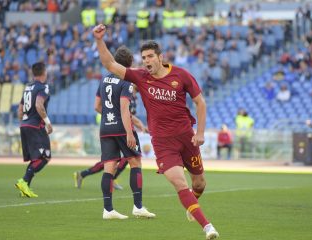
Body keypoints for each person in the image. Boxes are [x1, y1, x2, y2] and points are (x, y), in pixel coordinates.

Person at [93, 24, 219, 239]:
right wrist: (99, 40)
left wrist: (200, 133)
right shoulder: (140, 77)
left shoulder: (182, 75)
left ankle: (193, 205)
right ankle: (208, 227)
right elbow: (110, 64)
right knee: (180, 183)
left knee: (199, 183)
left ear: (160, 57)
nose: (147, 61)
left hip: (187, 138)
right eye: (144, 57)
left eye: (150, 56)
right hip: (162, 142)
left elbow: (201, 103)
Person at [92, 46, 155, 219]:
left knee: (108, 168)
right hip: (122, 127)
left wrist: (108, 117)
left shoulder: (104, 80)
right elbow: (124, 108)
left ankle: (108, 210)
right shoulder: (125, 81)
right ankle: (138, 207)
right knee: (135, 162)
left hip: (105, 128)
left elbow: (97, 106)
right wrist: (129, 132)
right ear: (128, 65)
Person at [74, 84, 148, 191]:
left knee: (113, 160)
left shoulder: (133, 98)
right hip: (115, 127)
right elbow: (121, 112)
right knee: (121, 158)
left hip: (119, 127)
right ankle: (111, 179)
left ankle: (83, 174)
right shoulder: (125, 90)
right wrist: (139, 124)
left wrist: (139, 125)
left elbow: (129, 116)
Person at [15, 62, 53, 198]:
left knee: (34, 158)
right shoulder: (43, 87)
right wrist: (48, 123)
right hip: (36, 126)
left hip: (24, 125)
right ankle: (24, 181)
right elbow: (39, 105)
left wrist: (24, 122)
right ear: (44, 72)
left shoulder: (28, 88)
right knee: (44, 157)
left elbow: (19, 109)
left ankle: (25, 189)